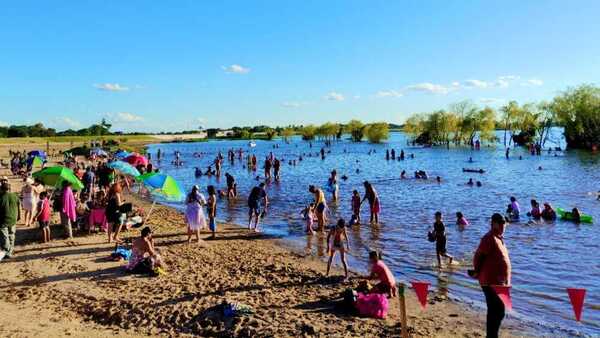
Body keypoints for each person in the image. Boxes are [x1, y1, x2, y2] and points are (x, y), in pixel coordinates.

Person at [470, 213, 511, 338]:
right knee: (497, 310)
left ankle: (492, 336)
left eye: (504, 223)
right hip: (490, 282)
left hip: (500, 283)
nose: (503, 225)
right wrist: (477, 271)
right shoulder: (489, 238)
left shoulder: (498, 238)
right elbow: (478, 255)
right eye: (501, 223)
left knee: (498, 311)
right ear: (493, 223)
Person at [0, 180, 20, 261]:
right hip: (13, 219)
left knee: (4, 237)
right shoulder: (15, 196)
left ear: (1, 189)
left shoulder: (1, 197)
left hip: (3, 220)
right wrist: (18, 216)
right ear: (9, 189)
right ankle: (10, 251)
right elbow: (19, 207)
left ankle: (7, 251)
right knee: (12, 235)